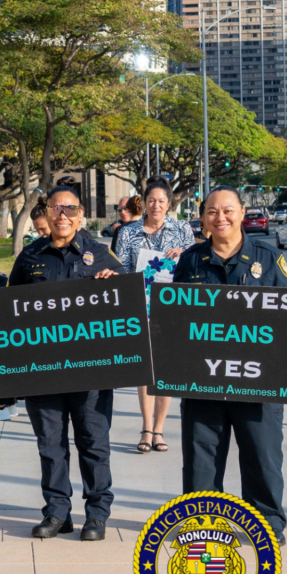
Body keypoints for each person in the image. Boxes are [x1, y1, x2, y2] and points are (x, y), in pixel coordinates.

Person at [174, 185, 287, 544]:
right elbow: (176, 319)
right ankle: (201, 522)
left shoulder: (268, 259)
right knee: (201, 456)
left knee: (262, 453)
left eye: (227, 210)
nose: (220, 217)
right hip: (203, 378)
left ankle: (266, 522)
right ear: (203, 218)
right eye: (212, 211)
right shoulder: (191, 260)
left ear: (242, 213)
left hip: (258, 379)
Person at [8, 184, 124, 541]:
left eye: (70, 209)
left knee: (93, 442)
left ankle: (96, 514)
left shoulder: (102, 256)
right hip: (42, 370)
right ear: (48, 212)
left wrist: (115, 286)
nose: (63, 215)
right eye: (57, 208)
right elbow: (11, 311)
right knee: (50, 444)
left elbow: (129, 306)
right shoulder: (30, 257)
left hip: (91, 372)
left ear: (81, 215)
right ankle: (57, 512)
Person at [114, 178, 194, 454]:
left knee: (165, 369)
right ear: (143, 202)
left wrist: (183, 253)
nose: (156, 205)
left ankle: (159, 429)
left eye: (161, 201)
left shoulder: (183, 229)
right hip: (140, 306)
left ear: (169, 203)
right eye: (151, 200)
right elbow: (120, 268)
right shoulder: (128, 232)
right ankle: (146, 428)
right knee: (145, 369)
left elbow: (194, 265)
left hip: (173, 308)